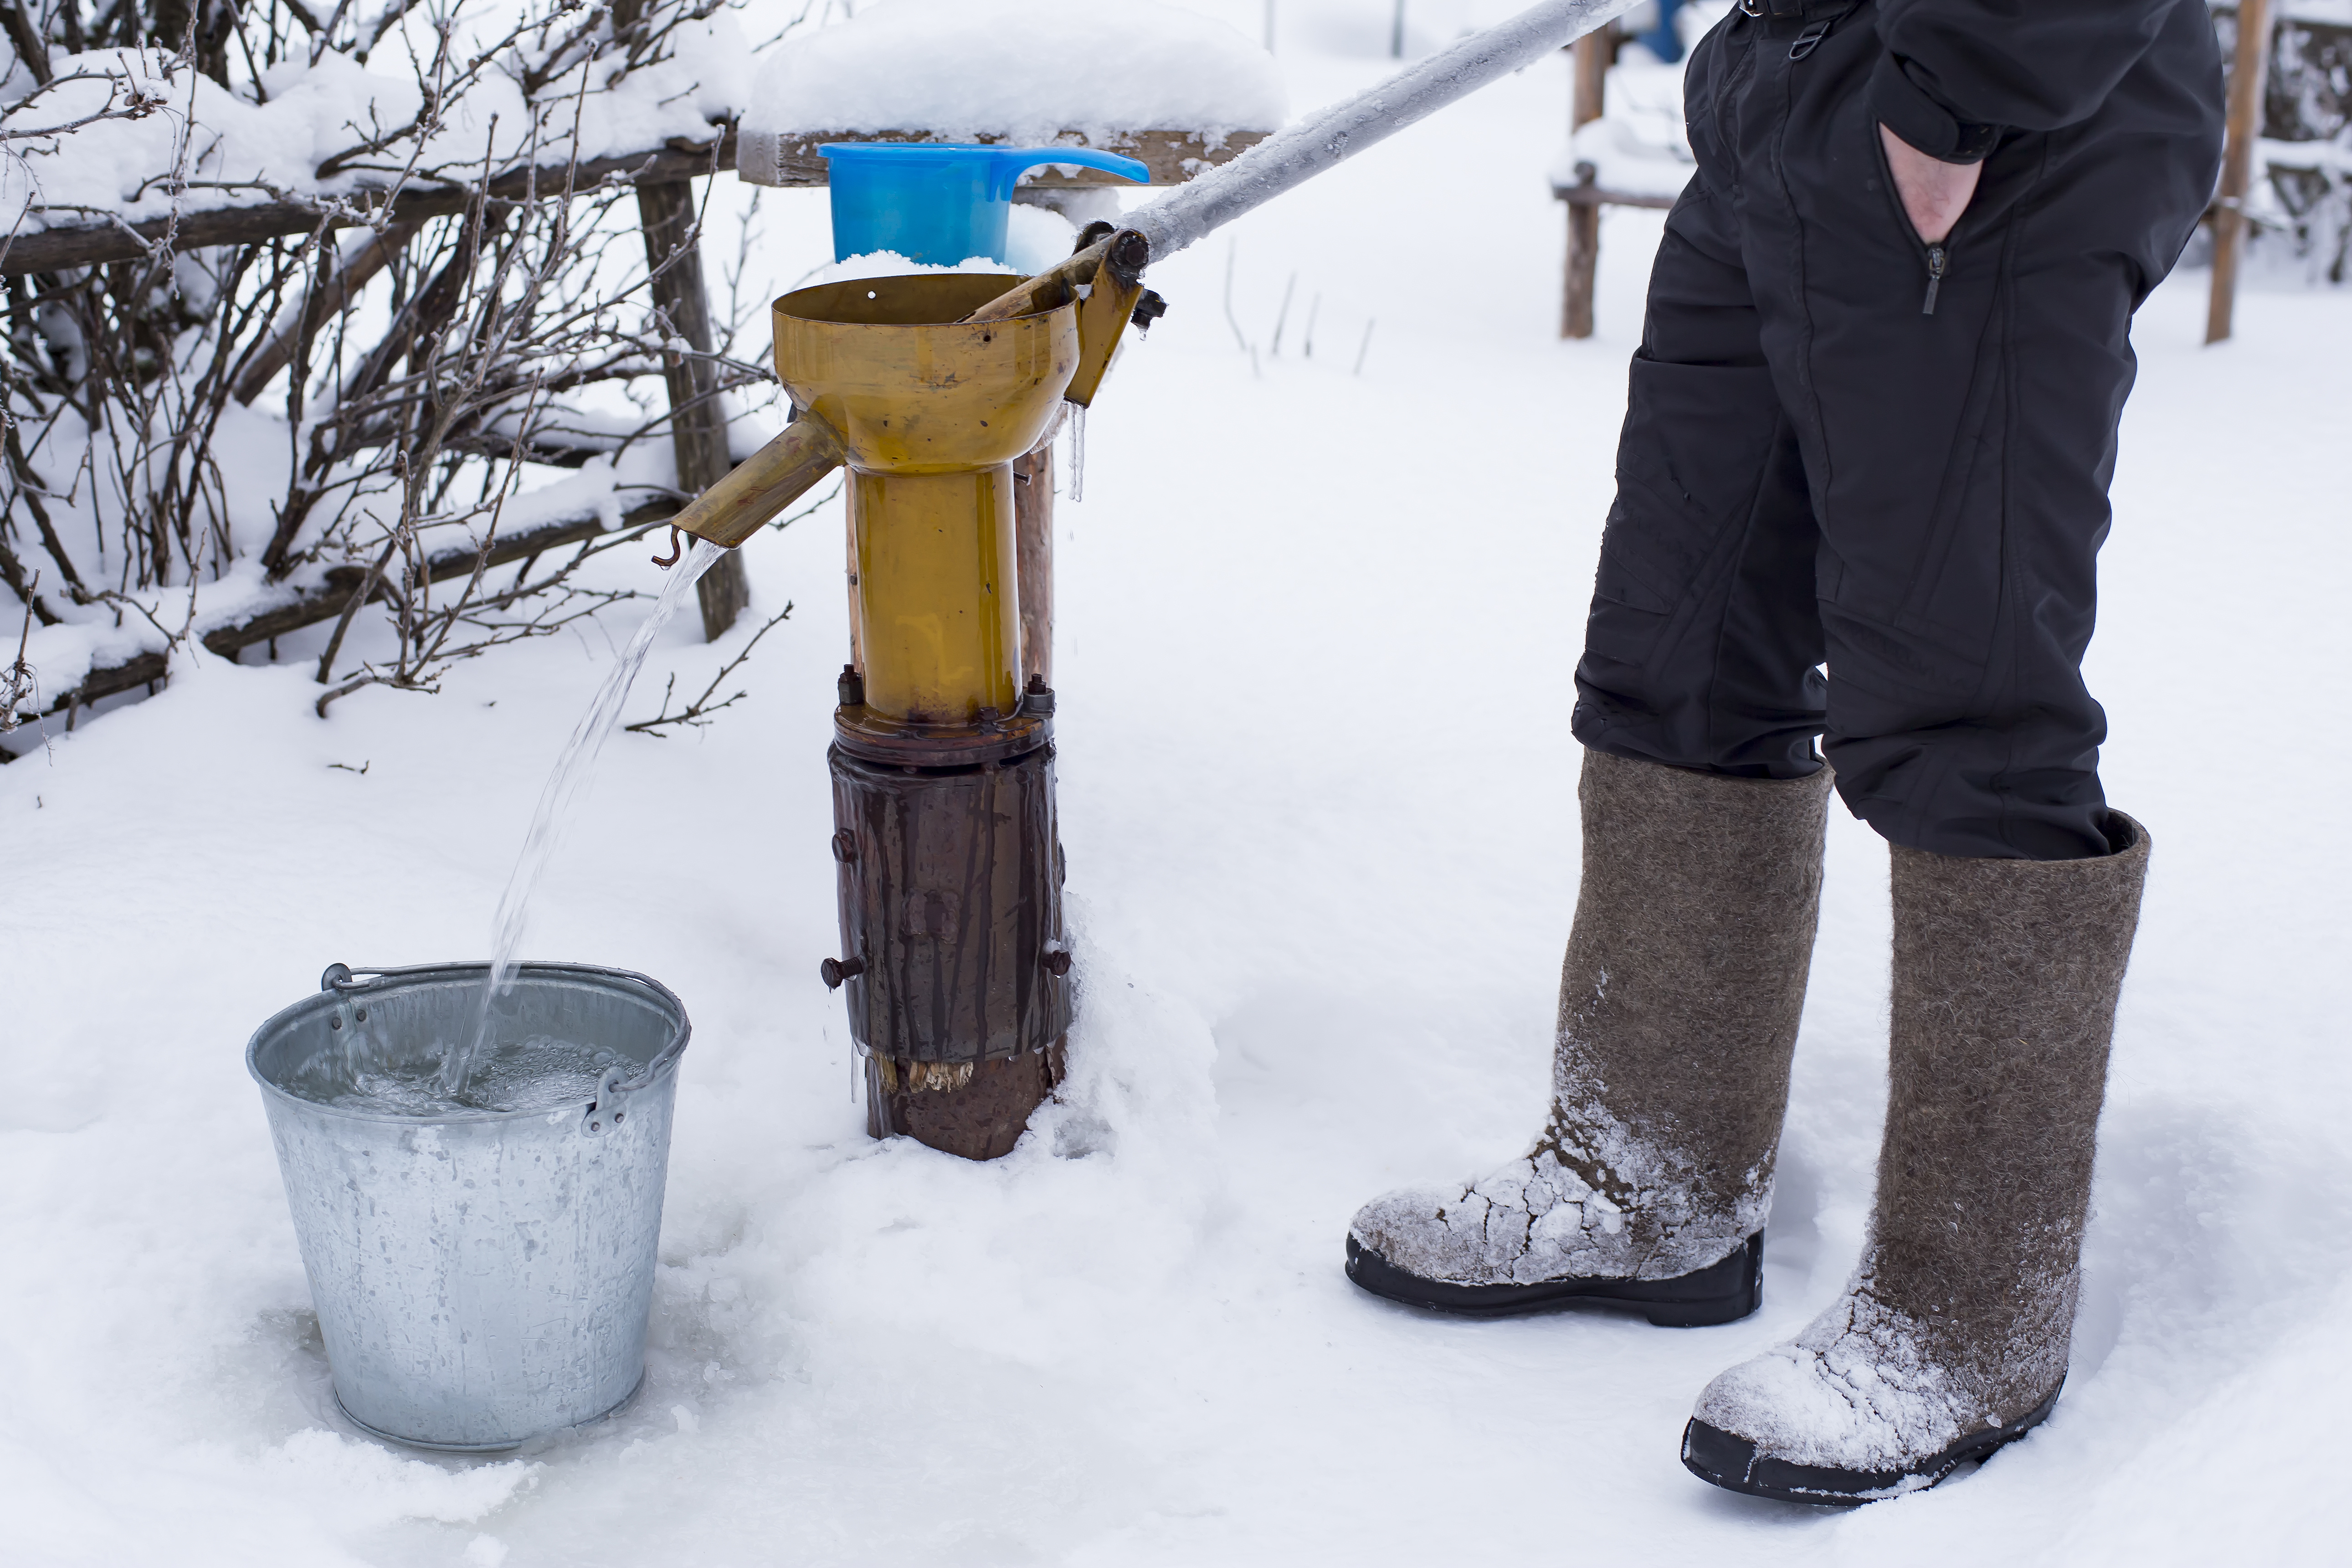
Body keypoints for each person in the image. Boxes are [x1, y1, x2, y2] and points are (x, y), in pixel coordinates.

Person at [1345, 0, 2225, 1505]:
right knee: (1678, 646)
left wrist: (1961, 89)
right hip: (1787, 84)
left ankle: (1965, 1320)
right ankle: (1648, 1177)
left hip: (1985, 107)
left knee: (1962, 703)